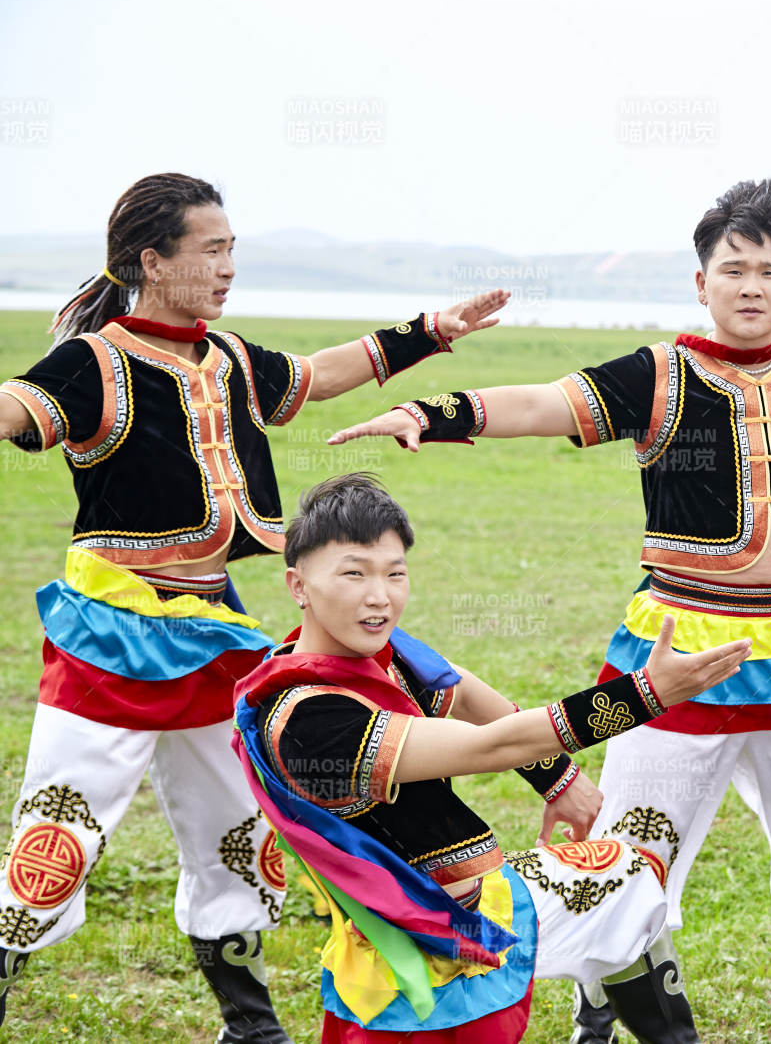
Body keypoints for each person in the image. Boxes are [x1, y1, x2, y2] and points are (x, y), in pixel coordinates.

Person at [326, 178, 771, 1044]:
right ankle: (599, 1013)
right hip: (674, 653)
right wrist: (436, 411)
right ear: (701, 282)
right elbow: (544, 401)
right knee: (626, 851)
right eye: (733, 268)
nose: (751, 285)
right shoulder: (659, 375)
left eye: (770, 270)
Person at [0, 172, 509, 1040]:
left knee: (238, 830)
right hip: (112, 635)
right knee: (59, 832)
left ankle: (251, 1024)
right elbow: (19, 407)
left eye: (232, 248)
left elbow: (313, 377)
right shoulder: (94, 362)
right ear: (152, 262)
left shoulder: (228, 357)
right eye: (212, 250)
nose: (228, 265)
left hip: (214, 630)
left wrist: (428, 333)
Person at [233, 473, 752, 1042]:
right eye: (353, 573)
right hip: (432, 931)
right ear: (298, 585)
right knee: (628, 880)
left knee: (629, 879)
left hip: (472, 898)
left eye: (395, 573)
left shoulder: (380, 654)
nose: (379, 595)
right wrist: (642, 694)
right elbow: (491, 745)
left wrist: (558, 780)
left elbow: (479, 704)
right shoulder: (311, 720)